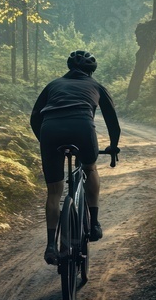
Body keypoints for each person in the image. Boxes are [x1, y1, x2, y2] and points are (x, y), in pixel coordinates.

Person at [31, 50, 121, 265]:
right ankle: (95, 224)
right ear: (92, 71)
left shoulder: (53, 84)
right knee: (89, 168)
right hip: (82, 127)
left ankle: (51, 246)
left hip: (50, 130)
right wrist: (113, 147)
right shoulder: (97, 86)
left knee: (54, 191)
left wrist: (45, 142)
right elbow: (113, 123)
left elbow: (35, 117)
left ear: (69, 68)